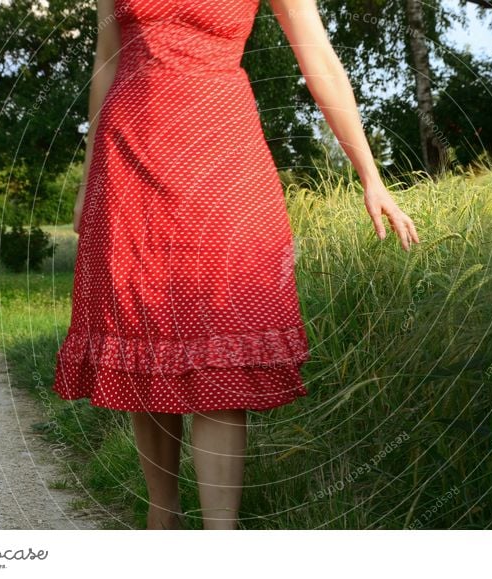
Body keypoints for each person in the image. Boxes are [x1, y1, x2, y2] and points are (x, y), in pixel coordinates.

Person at [52, 0, 420, 531]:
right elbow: (107, 58)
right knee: (145, 333)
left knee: (221, 339)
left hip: (223, 157)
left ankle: (219, 537)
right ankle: (163, 516)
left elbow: (317, 54)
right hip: (128, 156)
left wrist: (370, 174)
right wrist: (89, 179)